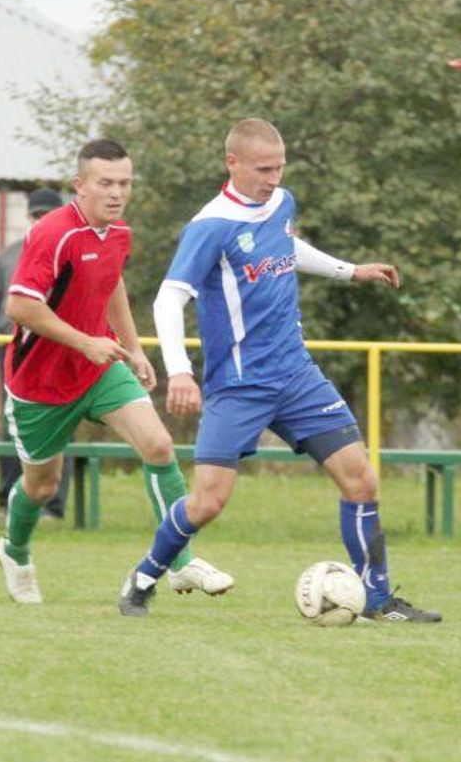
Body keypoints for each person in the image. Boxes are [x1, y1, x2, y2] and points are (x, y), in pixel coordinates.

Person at [117, 118, 440, 623]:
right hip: (239, 386)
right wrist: (179, 371)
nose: (273, 178)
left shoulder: (281, 202)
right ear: (233, 163)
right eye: (263, 169)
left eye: (279, 167)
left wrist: (349, 270)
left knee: (361, 480)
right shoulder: (211, 226)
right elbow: (168, 298)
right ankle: (143, 577)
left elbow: (286, 249)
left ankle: (377, 600)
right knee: (207, 503)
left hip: (296, 376)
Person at [0, 139, 233, 604]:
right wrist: (86, 341)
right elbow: (19, 306)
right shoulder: (52, 232)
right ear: (79, 186)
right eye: (105, 183)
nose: (116, 192)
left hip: (98, 368)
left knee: (160, 445)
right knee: (42, 486)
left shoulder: (118, 232)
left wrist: (133, 348)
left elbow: (111, 284)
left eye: (124, 183)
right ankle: (15, 550)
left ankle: (180, 563)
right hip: (40, 383)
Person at [0, 187, 72, 520]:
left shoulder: (73, 249)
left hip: (59, 358)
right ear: (29, 217)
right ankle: (8, 503)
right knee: (12, 430)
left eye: (50, 214)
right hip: (19, 361)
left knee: (59, 428)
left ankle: (53, 507)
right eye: (37, 215)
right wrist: (0, 336)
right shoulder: (10, 255)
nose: (43, 220)